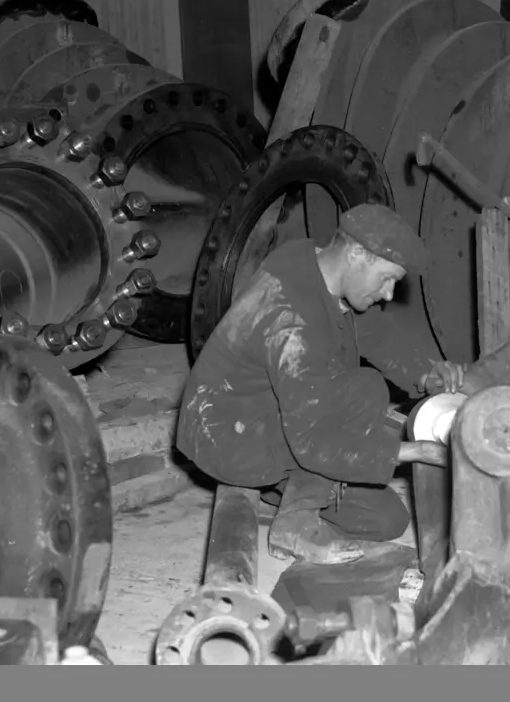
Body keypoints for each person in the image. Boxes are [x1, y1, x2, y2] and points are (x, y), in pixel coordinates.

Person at [176, 203, 465, 565]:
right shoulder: (292, 322)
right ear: (357, 254)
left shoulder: (312, 266)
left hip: (265, 417)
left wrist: (424, 371)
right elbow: (315, 440)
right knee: (365, 390)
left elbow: (372, 331)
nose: (389, 294)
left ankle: (281, 488)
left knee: (386, 519)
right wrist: (414, 452)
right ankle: (293, 526)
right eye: (387, 278)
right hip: (227, 435)